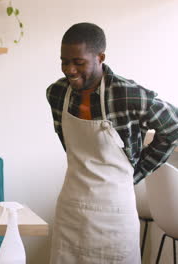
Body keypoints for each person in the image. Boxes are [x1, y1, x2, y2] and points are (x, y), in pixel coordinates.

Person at [46, 22, 178, 263]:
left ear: (100, 57)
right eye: (64, 61)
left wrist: (136, 172)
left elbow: (173, 127)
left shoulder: (128, 95)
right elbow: (67, 142)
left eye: (78, 62)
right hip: (70, 211)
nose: (70, 70)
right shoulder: (56, 93)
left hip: (115, 215)